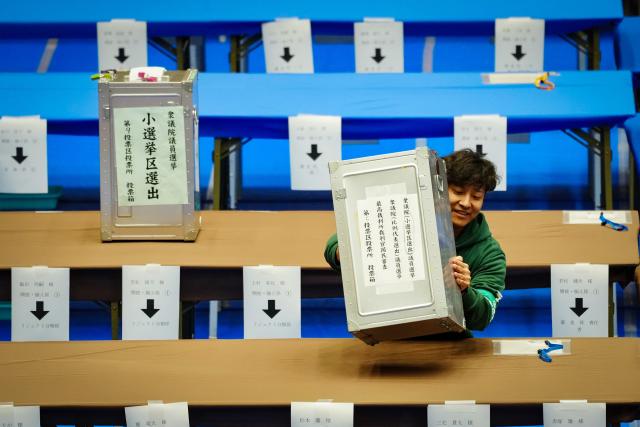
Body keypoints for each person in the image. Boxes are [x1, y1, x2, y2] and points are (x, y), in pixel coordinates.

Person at [324, 148, 506, 332]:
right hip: (387, 334)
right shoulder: (404, 214)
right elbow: (336, 243)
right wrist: (349, 252)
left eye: (476, 196)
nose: (466, 203)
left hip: (451, 343)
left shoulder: (490, 253)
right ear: (439, 188)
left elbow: (482, 317)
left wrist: (465, 291)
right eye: (458, 192)